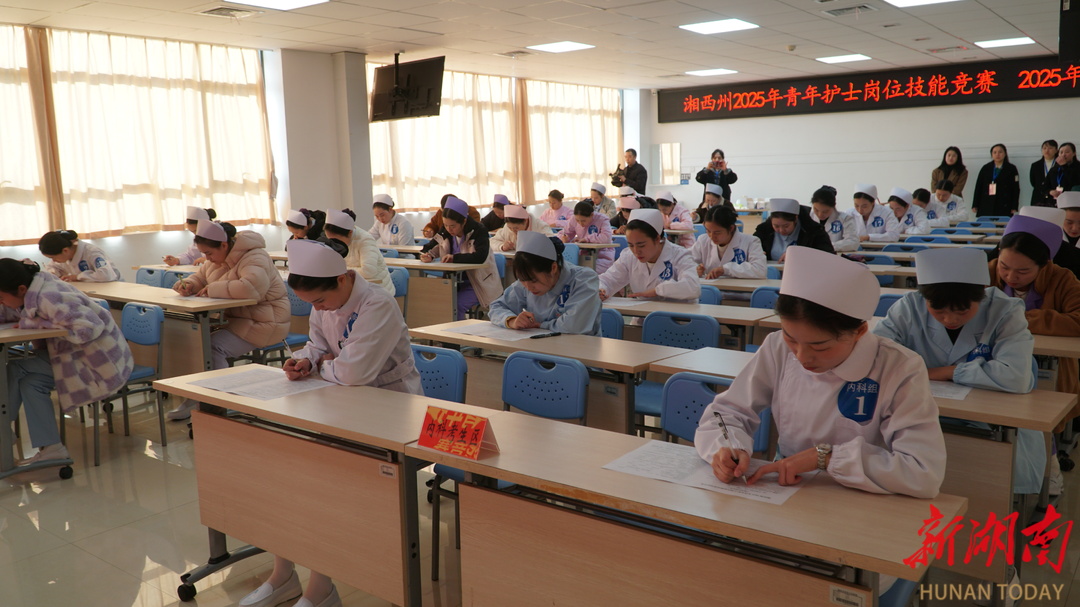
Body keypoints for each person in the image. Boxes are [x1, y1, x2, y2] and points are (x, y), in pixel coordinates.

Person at [241, 239, 422, 607]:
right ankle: (283, 575)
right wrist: (307, 360)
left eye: (320, 301)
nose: (318, 308)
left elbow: (354, 373)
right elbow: (319, 343)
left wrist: (322, 365)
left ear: (342, 280)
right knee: (288, 477)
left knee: (319, 486)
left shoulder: (377, 304)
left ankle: (320, 588)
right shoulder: (323, 302)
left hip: (389, 412)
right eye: (311, 304)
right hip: (341, 404)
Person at [695, 245, 946, 500]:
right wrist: (729, 447)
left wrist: (826, 457)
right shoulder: (777, 346)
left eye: (820, 346)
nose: (802, 357)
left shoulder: (899, 367)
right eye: (791, 338)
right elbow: (728, 412)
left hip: (864, 492)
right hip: (786, 485)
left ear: (859, 332)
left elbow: (923, 471)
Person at [873, 248, 1043, 494]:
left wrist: (948, 372)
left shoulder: (1005, 311)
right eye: (938, 311)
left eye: (962, 311)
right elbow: (876, 358)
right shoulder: (909, 307)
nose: (949, 319)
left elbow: (1016, 376)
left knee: (989, 487)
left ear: (981, 296)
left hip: (989, 419)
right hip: (918, 412)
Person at [0, 258, 133, 466]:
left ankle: (2, 431)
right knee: (31, 383)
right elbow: (11, 312)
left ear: (21, 289)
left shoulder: (49, 296)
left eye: (1, 298)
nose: (1, 303)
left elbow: (87, 329)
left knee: (16, 367)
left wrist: (36, 323)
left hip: (98, 362)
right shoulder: (32, 290)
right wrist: (33, 322)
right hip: (72, 355)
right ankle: (52, 448)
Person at [166, 220, 290, 420]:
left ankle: (218, 402)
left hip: (266, 322)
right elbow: (201, 278)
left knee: (211, 347)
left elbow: (251, 288)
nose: (206, 258)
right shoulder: (215, 260)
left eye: (209, 253)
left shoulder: (255, 257)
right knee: (192, 342)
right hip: (238, 321)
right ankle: (197, 395)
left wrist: (212, 289)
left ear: (224, 245)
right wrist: (188, 284)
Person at [989, 214, 1080, 432]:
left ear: (1044, 265)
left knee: (1040, 417)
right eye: (1004, 266)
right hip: (992, 359)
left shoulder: (1063, 279)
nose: (1011, 277)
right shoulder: (986, 271)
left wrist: (1020, 318)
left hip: (1048, 363)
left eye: (1023, 271)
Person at [488, 232, 602, 335]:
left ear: (553, 268)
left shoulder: (584, 279)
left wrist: (541, 325)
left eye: (534, 280)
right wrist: (512, 320)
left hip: (579, 347)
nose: (528, 287)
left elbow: (574, 326)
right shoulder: (526, 281)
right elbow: (497, 307)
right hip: (540, 346)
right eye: (522, 280)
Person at [419, 197, 502, 320]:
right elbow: (432, 245)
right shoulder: (446, 230)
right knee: (437, 302)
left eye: (452, 226)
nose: (449, 229)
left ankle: (459, 332)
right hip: (454, 281)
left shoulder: (479, 231)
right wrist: (428, 255)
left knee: (455, 306)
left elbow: (480, 257)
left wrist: (454, 258)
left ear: (464, 221)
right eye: (445, 225)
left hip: (477, 282)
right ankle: (445, 332)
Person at [598, 208, 700, 303]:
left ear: (657, 239)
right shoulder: (628, 256)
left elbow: (693, 287)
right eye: (631, 245)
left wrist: (657, 291)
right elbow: (607, 279)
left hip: (677, 315)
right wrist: (601, 290)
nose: (636, 251)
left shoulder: (680, 255)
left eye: (641, 245)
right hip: (642, 314)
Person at [324, 209, 395, 297]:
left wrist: (340, 269)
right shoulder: (338, 240)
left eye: (337, 241)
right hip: (355, 287)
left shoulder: (365, 240)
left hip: (378, 291)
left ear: (350, 233)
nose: (334, 244)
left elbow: (368, 271)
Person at [691, 205, 766, 280]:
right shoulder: (703, 241)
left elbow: (760, 270)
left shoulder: (750, 242)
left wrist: (726, 269)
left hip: (739, 287)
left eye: (717, 232)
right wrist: (695, 269)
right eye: (708, 231)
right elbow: (688, 261)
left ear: (731, 228)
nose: (711, 236)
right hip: (710, 286)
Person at [753, 198, 835, 262]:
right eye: (776, 226)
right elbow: (751, 247)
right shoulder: (764, 231)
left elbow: (829, 256)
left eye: (786, 226)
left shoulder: (814, 232)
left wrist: (799, 255)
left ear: (795, 219)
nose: (781, 230)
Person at [39, 230, 122, 283]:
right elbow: (52, 268)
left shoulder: (92, 252)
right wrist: (54, 274)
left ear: (65, 250)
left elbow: (105, 275)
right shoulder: (63, 256)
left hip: (112, 291)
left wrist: (78, 277)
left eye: (53, 257)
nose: (53, 261)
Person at [560, 200, 615, 274]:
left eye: (583, 221)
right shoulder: (574, 219)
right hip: (582, 253)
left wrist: (587, 239)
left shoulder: (602, 219)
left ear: (592, 215)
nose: (580, 223)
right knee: (569, 270)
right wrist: (565, 238)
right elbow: (565, 233)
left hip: (602, 254)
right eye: (577, 220)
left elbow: (606, 238)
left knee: (590, 273)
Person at [971, 143, 1020, 218]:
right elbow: (978, 187)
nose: (997, 154)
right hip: (986, 203)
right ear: (991, 154)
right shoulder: (986, 168)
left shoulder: (1011, 168)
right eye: (995, 152)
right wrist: (975, 204)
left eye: (1000, 152)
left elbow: (1016, 189)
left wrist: (1014, 206)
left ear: (1005, 154)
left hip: (1004, 203)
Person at [808, 185, 858, 252]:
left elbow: (853, 242)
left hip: (835, 256)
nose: (820, 214)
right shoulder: (808, 217)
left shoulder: (845, 219)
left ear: (834, 206)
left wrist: (828, 246)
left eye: (825, 211)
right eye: (816, 209)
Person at [1029, 139, 1058, 207]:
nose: (1047, 151)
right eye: (1044, 148)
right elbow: (1033, 182)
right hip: (1039, 198)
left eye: (1050, 148)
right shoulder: (1035, 165)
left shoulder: (1059, 164)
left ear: (1056, 150)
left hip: (1055, 197)